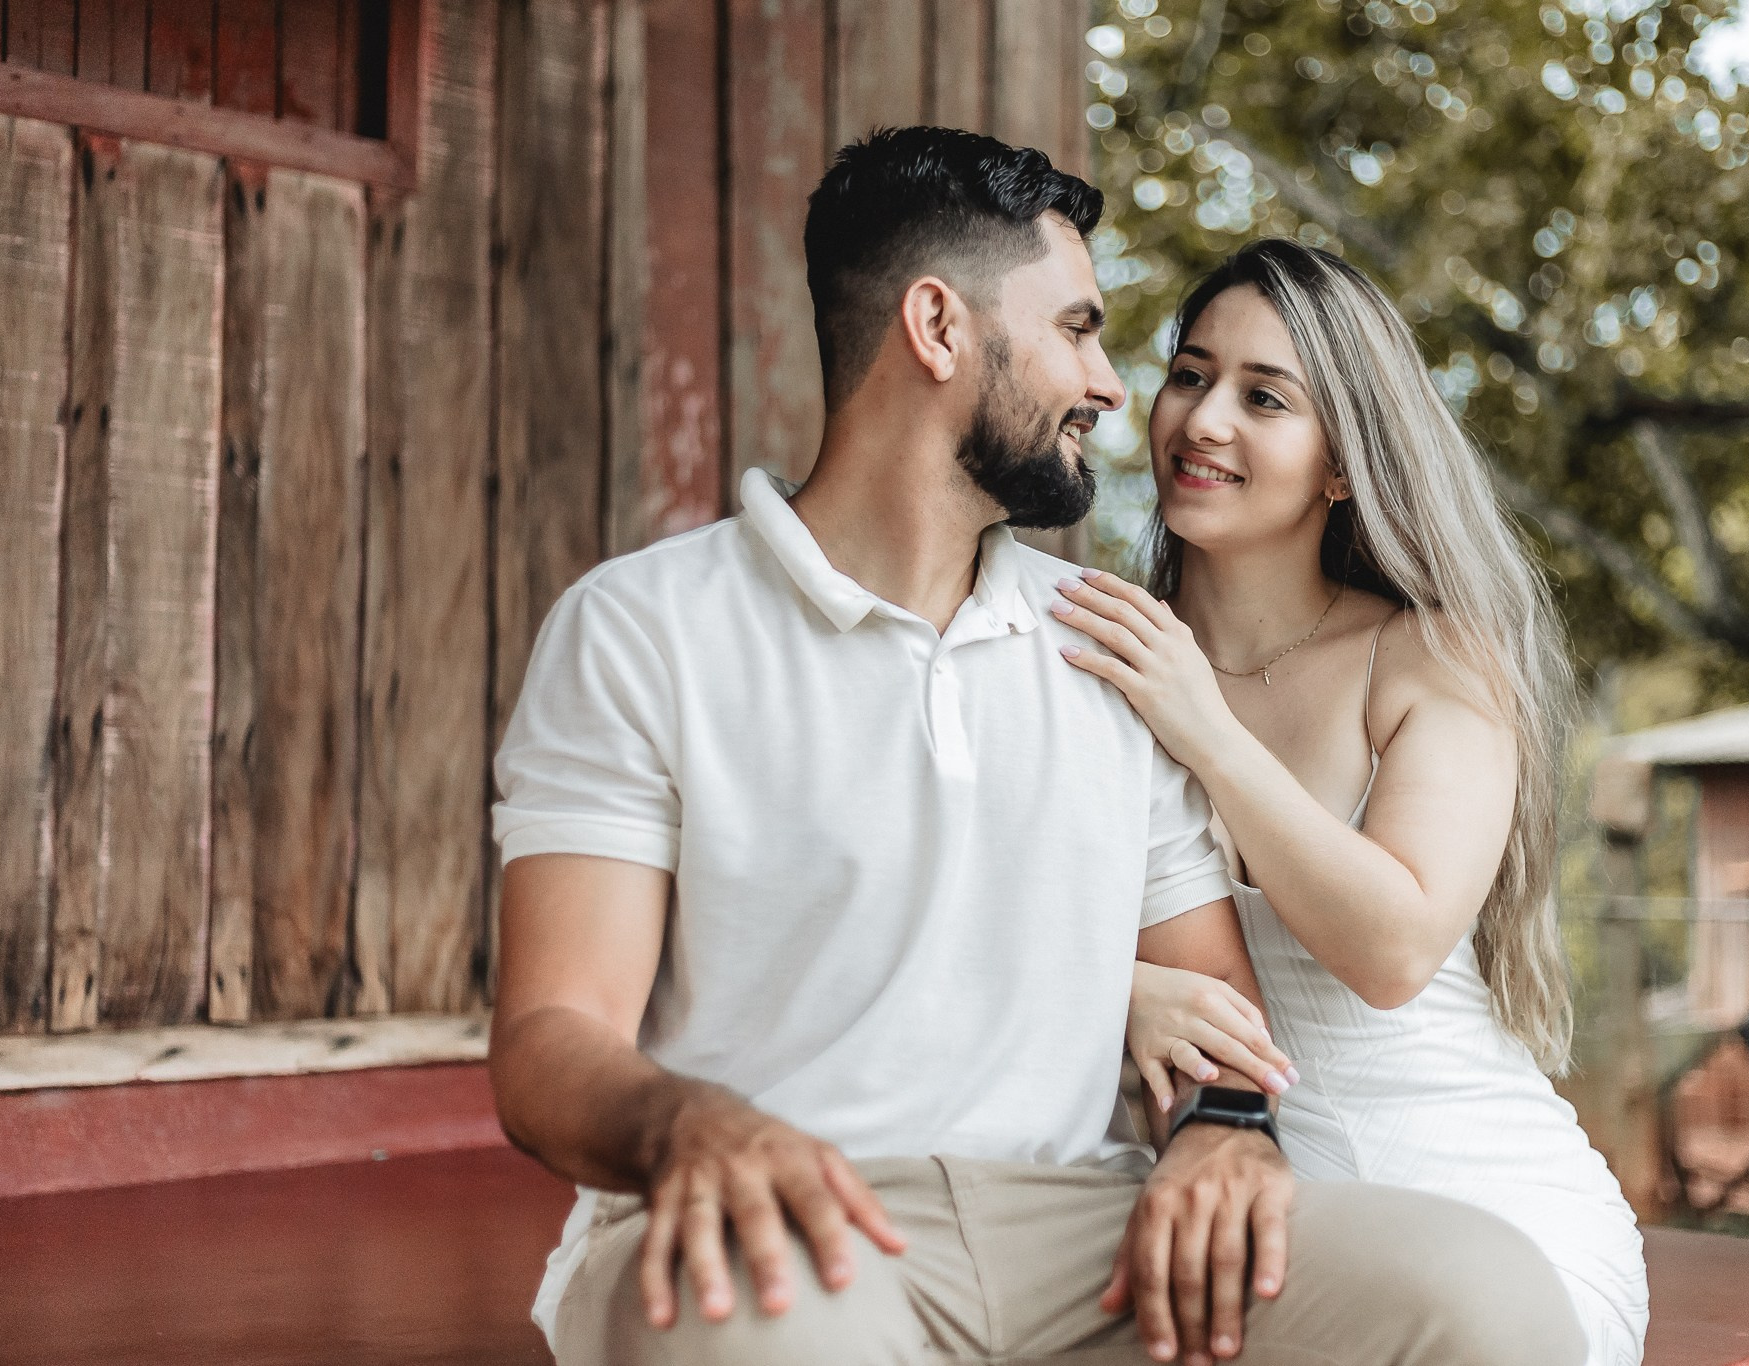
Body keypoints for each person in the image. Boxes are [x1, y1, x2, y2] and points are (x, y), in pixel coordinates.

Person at [488, 127, 1588, 1366]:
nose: (1117, 389)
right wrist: (688, 1126)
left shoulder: (1109, 648)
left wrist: (1223, 1129)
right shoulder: (643, 628)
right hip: (790, 1216)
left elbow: (1218, 1014)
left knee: (1483, 1300)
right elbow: (549, 1038)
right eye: (1077, 330)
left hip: (1082, 1226)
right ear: (937, 328)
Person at [1049, 238, 1650, 1366]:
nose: (1203, 420)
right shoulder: (1101, 655)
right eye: (1189, 375)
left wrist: (1204, 727)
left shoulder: (1429, 658)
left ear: (1339, 463)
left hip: (1493, 1223)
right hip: (1234, 1204)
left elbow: (1393, 949)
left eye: (1263, 397)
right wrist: (1116, 990)